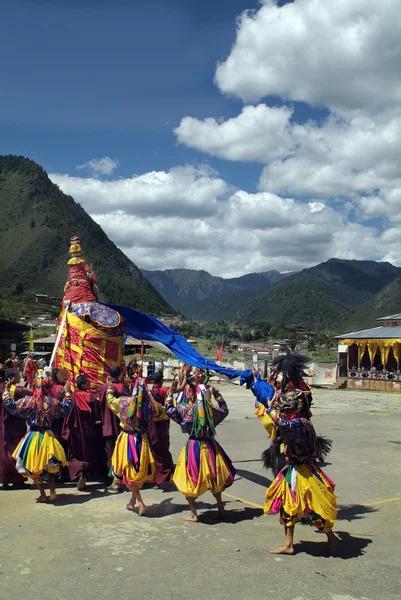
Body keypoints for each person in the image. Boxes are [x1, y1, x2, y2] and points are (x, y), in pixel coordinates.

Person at [263, 388, 338, 555]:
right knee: (286, 506)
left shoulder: (299, 424)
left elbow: (282, 423)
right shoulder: (301, 421)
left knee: (311, 509)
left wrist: (269, 408)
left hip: (304, 473)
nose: (283, 410)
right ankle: (288, 544)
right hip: (294, 469)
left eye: (286, 407)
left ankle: (331, 537)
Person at [165, 368, 235, 522]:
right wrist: (217, 395)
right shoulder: (211, 411)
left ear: (190, 393)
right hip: (210, 447)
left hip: (194, 447)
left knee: (188, 479)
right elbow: (225, 410)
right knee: (214, 479)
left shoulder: (186, 410)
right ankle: (221, 509)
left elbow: (169, 409)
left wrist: (170, 393)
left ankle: (194, 514)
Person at [1, 371, 72, 502]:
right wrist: (67, 392)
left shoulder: (29, 401)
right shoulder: (52, 402)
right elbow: (67, 407)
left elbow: (10, 404)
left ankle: (43, 495)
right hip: (48, 436)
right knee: (49, 464)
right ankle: (52, 491)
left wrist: (6, 389)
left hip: (33, 437)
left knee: (34, 466)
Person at [106, 377, 163, 515]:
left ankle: (141, 503)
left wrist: (109, 388)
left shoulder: (125, 402)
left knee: (129, 470)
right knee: (135, 469)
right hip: (141, 440)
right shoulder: (150, 406)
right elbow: (164, 412)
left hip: (127, 439)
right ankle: (132, 502)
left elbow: (111, 402)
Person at [62, 374, 102, 490]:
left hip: (75, 430)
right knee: (88, 452)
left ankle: (80, 474)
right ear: (84, 384)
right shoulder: (90, 396)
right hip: (88, 429)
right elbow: (96, 411)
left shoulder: (72, 396)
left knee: (75, 453)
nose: (90, 384)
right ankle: (86, 473)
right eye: (88, 382)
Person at [96, 365, 130, 490]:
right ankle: (123, 477)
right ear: (120, 374)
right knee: (122, 452)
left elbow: (98, 405)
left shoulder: (103, 388)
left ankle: (114, 479)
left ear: (108, 375)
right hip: (122, 425)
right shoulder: (124, 387)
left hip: (107, 425)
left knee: (110, 453)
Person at [0, 368, 31, 488]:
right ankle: (17, 480)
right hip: (15, 424)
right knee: (15, 450)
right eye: (18, 375)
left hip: (3, 424)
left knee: (3, 449)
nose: (20, 377)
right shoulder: (15, 390)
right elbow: (32, 392)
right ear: (12, 378)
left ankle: (5, 479)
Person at [147, 371, 175, 487]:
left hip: (150, 425)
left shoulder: (147, 392)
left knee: (153, 450)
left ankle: (152, 477)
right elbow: (178, 390)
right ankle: (165, 476)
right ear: (162, 381)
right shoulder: (164, 391)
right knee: (163, 449)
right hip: (162, 425)